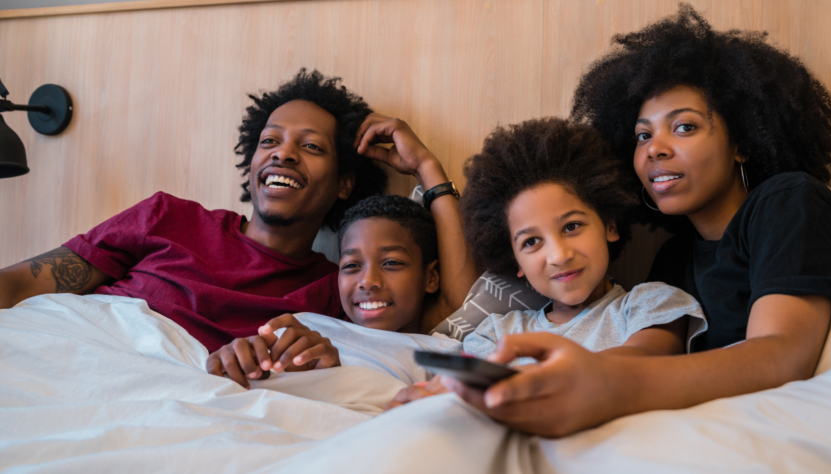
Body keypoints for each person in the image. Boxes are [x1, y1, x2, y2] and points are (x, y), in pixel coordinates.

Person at [440, 5, 831, 437]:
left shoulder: (789, 201)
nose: (654, 148)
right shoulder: (675, 260)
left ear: (744, 142)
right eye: (642, 135)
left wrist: (604, 383)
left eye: (684, 127)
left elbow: (781, 357)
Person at [0, 69, 475, 355]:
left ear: (345, 181)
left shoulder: (340, 288)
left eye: (310, 146)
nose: (282, 154)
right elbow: (20, 284)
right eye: (269, 141)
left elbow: (457, 308)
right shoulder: (167, 217)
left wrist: (428, 170)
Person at [386, 118, 705, 409]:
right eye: (531, 242)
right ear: (516, 261)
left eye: (571, 226)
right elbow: (469, 392)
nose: (559, 255)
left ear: (610, 226)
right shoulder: (497, 333)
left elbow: (643, 363)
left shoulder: (652, 304)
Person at [206, 194, 475, 388]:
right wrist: (234, 358)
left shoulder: (443, 355)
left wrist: (333, 378)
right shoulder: (303, 326)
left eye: (391, 263)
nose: (367, 281)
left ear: (431, 277)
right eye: (351, 265)